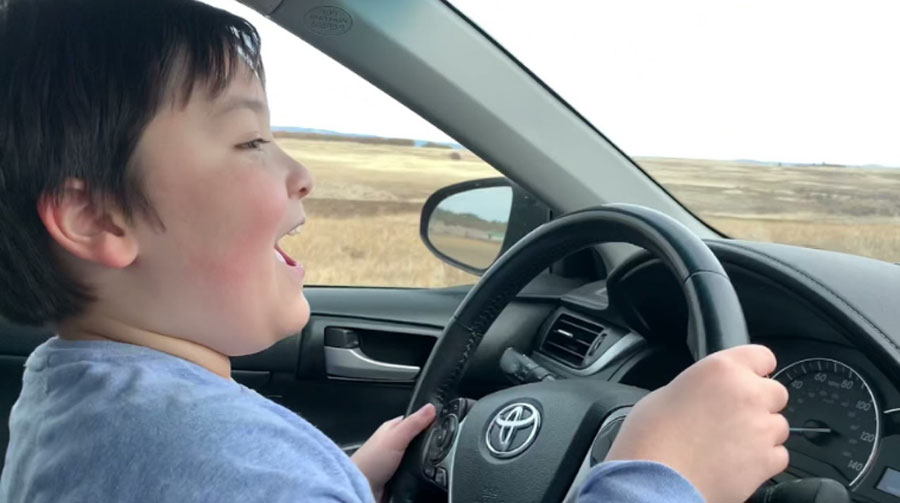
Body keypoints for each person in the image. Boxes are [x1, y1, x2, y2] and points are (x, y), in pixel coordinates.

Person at [0, 0, 789, 501]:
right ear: (97, 217)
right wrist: (664, 473)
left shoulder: (72, 399)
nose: (301, 174)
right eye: (250, 140)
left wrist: (338, 476)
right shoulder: (227, 465)